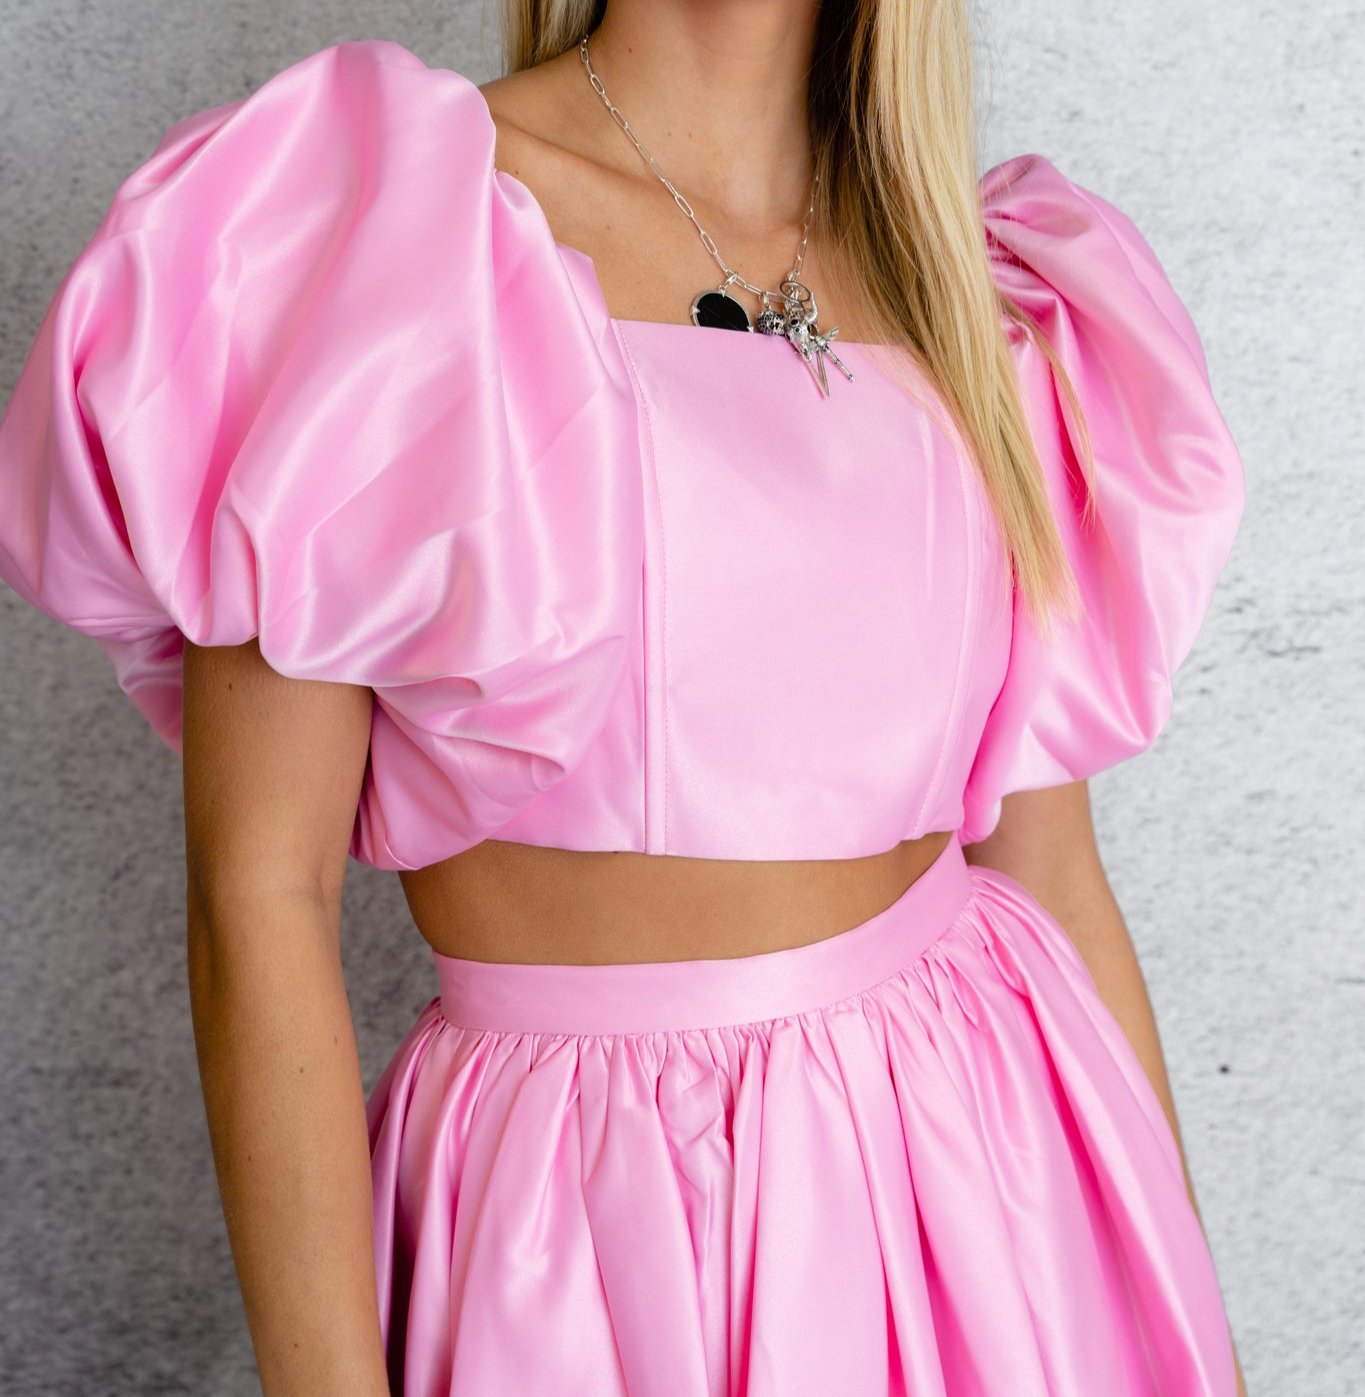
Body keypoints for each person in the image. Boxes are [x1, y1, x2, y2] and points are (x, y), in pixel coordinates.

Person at [0, 3, 1249, 1394]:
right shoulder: (377, 239)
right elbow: (256, 899)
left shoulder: (975, 277)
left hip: (992, 1189)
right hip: (583, 1216)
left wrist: (1182, 1324)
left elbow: (1052, 873)